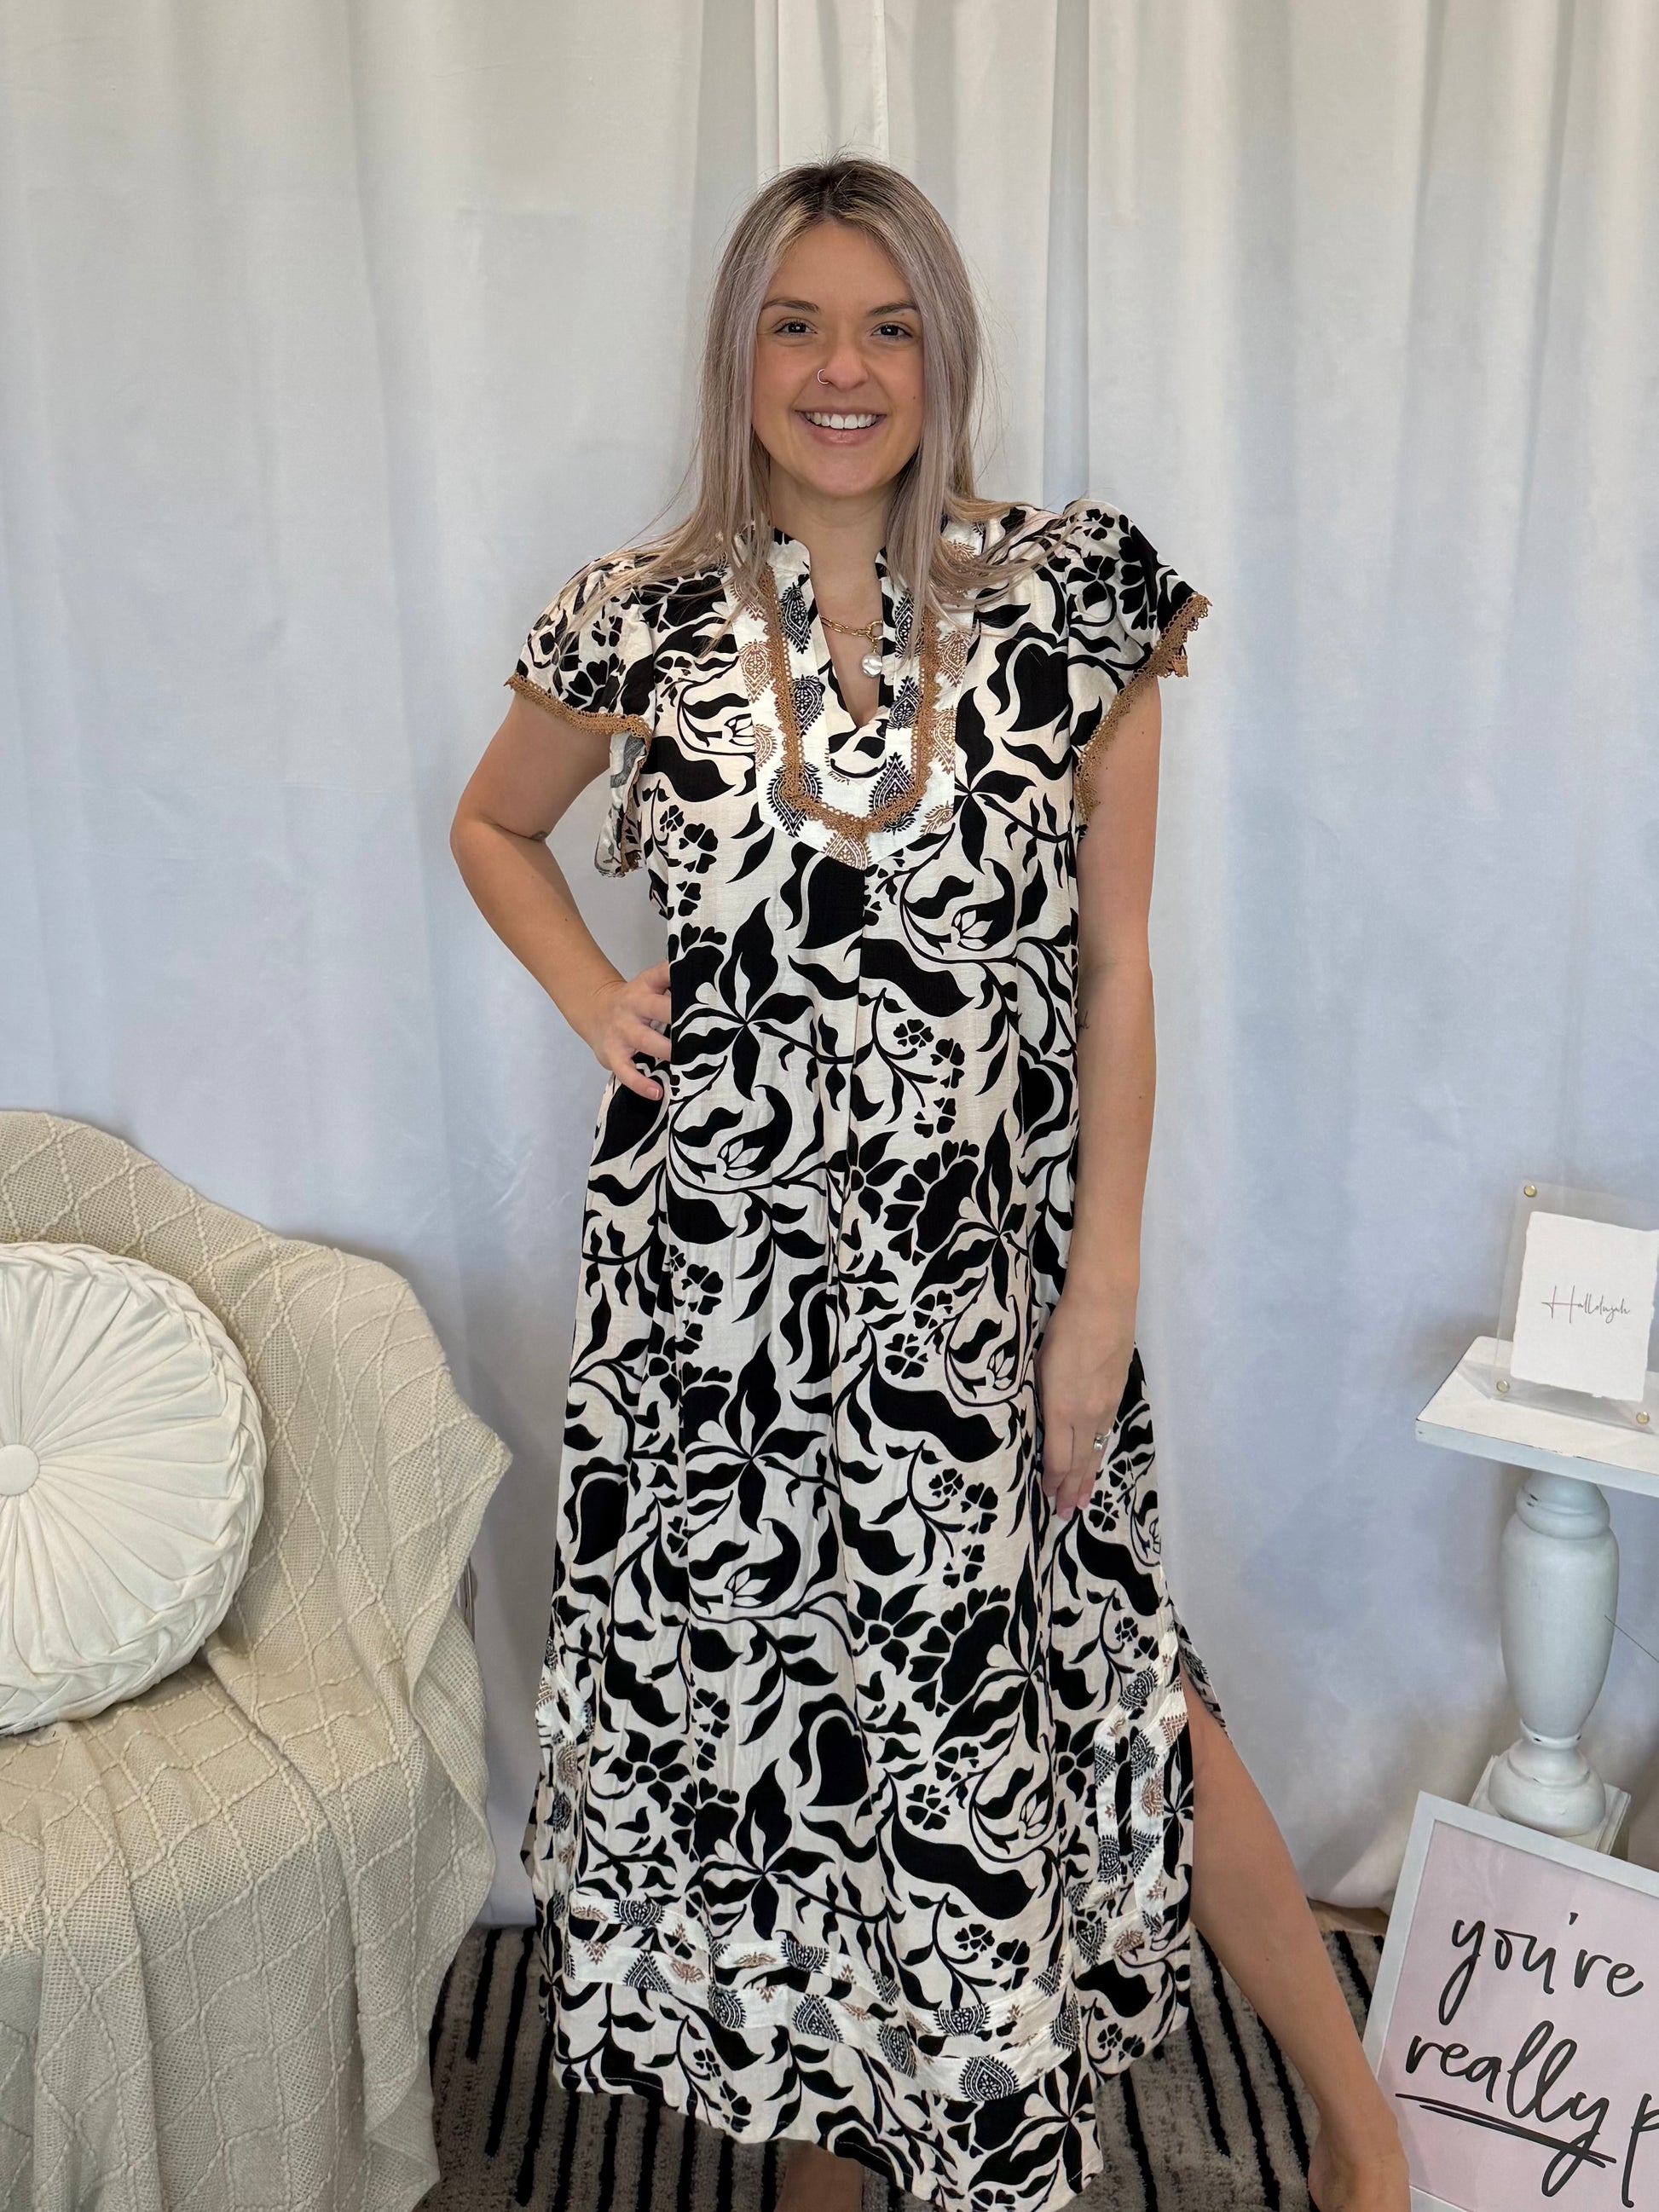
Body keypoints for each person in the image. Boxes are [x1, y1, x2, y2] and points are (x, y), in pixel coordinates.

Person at [450, 156, 1408, 2212]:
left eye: (886, 327)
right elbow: (491, 824)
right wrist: (598, 996)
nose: (842, 370)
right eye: (796, 324)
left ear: (941, 355)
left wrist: (1099, 1292)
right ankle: (834, 2158)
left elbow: (1114, 966)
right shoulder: (634, 617)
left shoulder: (1068, 598)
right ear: (738, 353)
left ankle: (1361, 2135)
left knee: (1122, 1692)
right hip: (718, 1309)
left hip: (981, 1287)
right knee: (797, 1730)